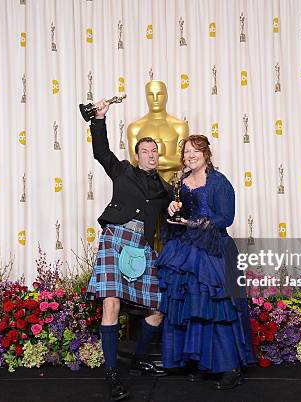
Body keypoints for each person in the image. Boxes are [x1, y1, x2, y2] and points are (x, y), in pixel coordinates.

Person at [85, 100, 171, 401]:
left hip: (142, 247)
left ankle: (136, 360)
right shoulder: (122, 171)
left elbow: (175, 212)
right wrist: (98, 119)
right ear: (137, 156)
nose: (151, 155)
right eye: (145, 151)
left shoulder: (164, 189)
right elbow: (100, 152)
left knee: (160, 307)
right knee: (112, 305)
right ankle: (112, 374)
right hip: (116, 239)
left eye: (155, 151)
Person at [156, 135, 255, 390]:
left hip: (213, 250)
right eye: (187, 151)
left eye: (195, 151)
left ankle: (230, 367)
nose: (190, 155)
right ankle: (202, 362)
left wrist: (193, 223)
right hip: (188, 251)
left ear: (206, 154)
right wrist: (172, 209)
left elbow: (226, 217)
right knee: (192, 308)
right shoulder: (182, 182)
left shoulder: (219, 182)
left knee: (217, 308)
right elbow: (182, 213)